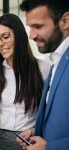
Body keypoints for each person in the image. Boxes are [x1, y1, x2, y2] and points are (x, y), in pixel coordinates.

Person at [0, 13, 48, 150]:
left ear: (19, 35)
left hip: (26, 139)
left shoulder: (43, 68)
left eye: (5, 37)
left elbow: (50, 111)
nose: (0, 44)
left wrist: (34, 129)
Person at [17, 0, 69, 149]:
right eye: (30, 27)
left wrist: (50, 147)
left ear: (65, 21)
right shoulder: (57, 59)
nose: (31, 35)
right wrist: (36, 130)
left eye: (38, 27)